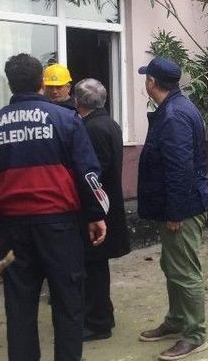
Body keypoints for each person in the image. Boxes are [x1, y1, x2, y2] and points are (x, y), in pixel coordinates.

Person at [0, 53, 108, 361]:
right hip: (59, 228)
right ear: (41, 84)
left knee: (19, 308)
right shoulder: (66, 120)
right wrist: (95, 215)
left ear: (10, 83)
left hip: (12, 231)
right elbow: (87, 173)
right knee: (68, 304)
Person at [136, 56, 208, 361]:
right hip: (180, 204)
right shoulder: (174, 108)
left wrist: (175, 212)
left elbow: (180, 168)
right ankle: (177, 320)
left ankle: (195, 335)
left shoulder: (174, 116)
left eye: (146, 77)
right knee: (173, 266)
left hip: (183, 207)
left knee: (184, 271)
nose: (145, 81)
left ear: (152, 82)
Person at [74, 78, 131, 341]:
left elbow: (92, 175)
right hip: (107, 206)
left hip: (98, 210)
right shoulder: (109, 123)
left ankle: (98, 322)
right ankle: (100, 316)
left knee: (93, 267)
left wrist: (92, 213)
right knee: (96, 266)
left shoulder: (92, 129)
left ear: (78, 101)